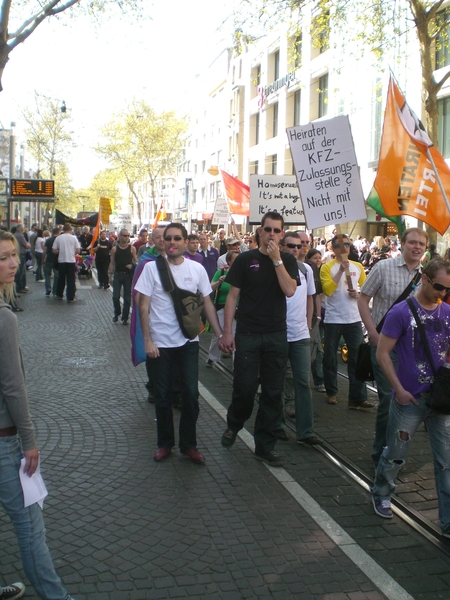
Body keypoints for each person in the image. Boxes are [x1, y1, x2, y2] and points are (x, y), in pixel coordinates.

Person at [0, 230, 76, 600]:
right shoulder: (4, 318)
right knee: (31, 526)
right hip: (4, 440)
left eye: (13, 254)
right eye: (3, 258)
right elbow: (13, 386)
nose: (14, 263)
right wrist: (28, 442)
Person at [372, 259, 450, 538]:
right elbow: (382, 353)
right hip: (410, 400)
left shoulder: (448, 312)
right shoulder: (401, 312)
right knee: (395, 454)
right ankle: (381, 493)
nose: (443, 293)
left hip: (441, 400)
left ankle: (448, 519)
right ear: (425, 279)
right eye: (439, 286)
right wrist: (399, 390)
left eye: (448, 289)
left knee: (446, 462)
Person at [135, 223, 224, 464]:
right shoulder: (151, 269)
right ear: (162, 242)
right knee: (163, 396)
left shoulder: (197, 269)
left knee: (191, 395)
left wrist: (220, 335)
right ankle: (165, 444)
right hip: (160, 344)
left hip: (188, 342)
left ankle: (189, 445)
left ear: (185, 242)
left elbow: (207, 303)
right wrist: (147, 341)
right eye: (168, 238)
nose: (172, 242)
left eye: (177, 238)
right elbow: (143, 306)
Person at [220, 211, 299, 467]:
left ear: (282, 234)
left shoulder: (288, 260)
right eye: (268, 230)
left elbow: (289, 290)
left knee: (273, 393)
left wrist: (276, 261)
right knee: (244, 387)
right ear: (260, 231)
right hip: (248, 334)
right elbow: (232, 296)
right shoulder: (246, 259)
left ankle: (265, 446)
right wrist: (227, 331)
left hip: (276, 334)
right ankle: (235, 423)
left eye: (277, 231)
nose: (272, 235)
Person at [358, 227, 426, 466]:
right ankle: (381, 454)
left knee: (406, 399)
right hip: (385, 345)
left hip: (412, 349)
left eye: (421, 244)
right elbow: (363, 299)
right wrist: (372, 333)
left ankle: (395, 450)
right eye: (413, 242)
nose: (417, 247)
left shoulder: (426, 276)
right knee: (389, 397)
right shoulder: (383, 268)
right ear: (402, 244)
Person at [320, 234, 374, 408]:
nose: (345, 248)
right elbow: (327, 290)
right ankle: (332, 392)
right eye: (340, 245)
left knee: (356, 359)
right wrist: (341, 272)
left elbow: (367, 290)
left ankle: (357, 397)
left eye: (348, 245)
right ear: (333, 249)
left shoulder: (358, 266)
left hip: (353, 319)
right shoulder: (327, 267)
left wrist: (358, 294)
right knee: (330, 357)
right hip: (333, 319)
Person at [277, 232, 320, 445]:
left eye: (298, 246)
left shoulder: (306, 269)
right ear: (281, 247)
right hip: (278, 333)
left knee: (303, 382)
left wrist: (309, 322)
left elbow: (310, 297)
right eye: (291, 246)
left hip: (300, 334)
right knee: (276, 381)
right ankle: (277, 425)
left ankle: (305, 431)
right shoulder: (275, 268)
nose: (295, 249)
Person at [206, 250, 239, 367]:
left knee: (236, 335)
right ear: (229, 261)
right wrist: (219, 282)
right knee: (218, 334)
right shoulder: (221, 272)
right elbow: (209, 287)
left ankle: (237, 364)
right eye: (235, 259)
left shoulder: (242, 273)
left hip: (236, 309)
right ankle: (212, 357)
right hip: (221, 307)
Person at [109, 229, 136, 325]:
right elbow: (112, 263)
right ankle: (117, 313)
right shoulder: (114, 249)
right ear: (119, 237)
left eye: (128, 235)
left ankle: (125, 318)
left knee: (127, 298)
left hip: (128, 276)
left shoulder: (132, 248)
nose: (127, 237)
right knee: (115, 296)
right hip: (117, 275)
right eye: (124, 235)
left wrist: (132, 265)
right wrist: (110, 275)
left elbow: (137, 261)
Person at [52, 223, 80, 303]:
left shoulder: (58, 238)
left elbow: (53, 250)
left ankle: (59, 294)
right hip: (71, 261)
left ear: (63, 230)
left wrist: (60, 252)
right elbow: (78, 250)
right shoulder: (74, 238)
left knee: (61, 278)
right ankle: (70, 297)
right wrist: (72, 253)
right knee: (71, 280)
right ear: (71, 230)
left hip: (61, 261)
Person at [42, 226, 61, 297]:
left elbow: (44, 251)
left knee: (47, 275)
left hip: (48, 259)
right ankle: (54, 291)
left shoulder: (48, 240)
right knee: (56, 276)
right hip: (57, 260)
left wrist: (43, 259)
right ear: (59, 232)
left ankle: (48, 289)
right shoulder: (59, 240)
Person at [13, 225, 30, 293]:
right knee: (21, 271)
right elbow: (27, 245)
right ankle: (20, 287)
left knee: (22, 271)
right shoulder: (20, 236)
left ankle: (22, 286)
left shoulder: (14, 235)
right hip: (21, 253)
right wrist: (28, 244)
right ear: (22, 229)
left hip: (18, 253)